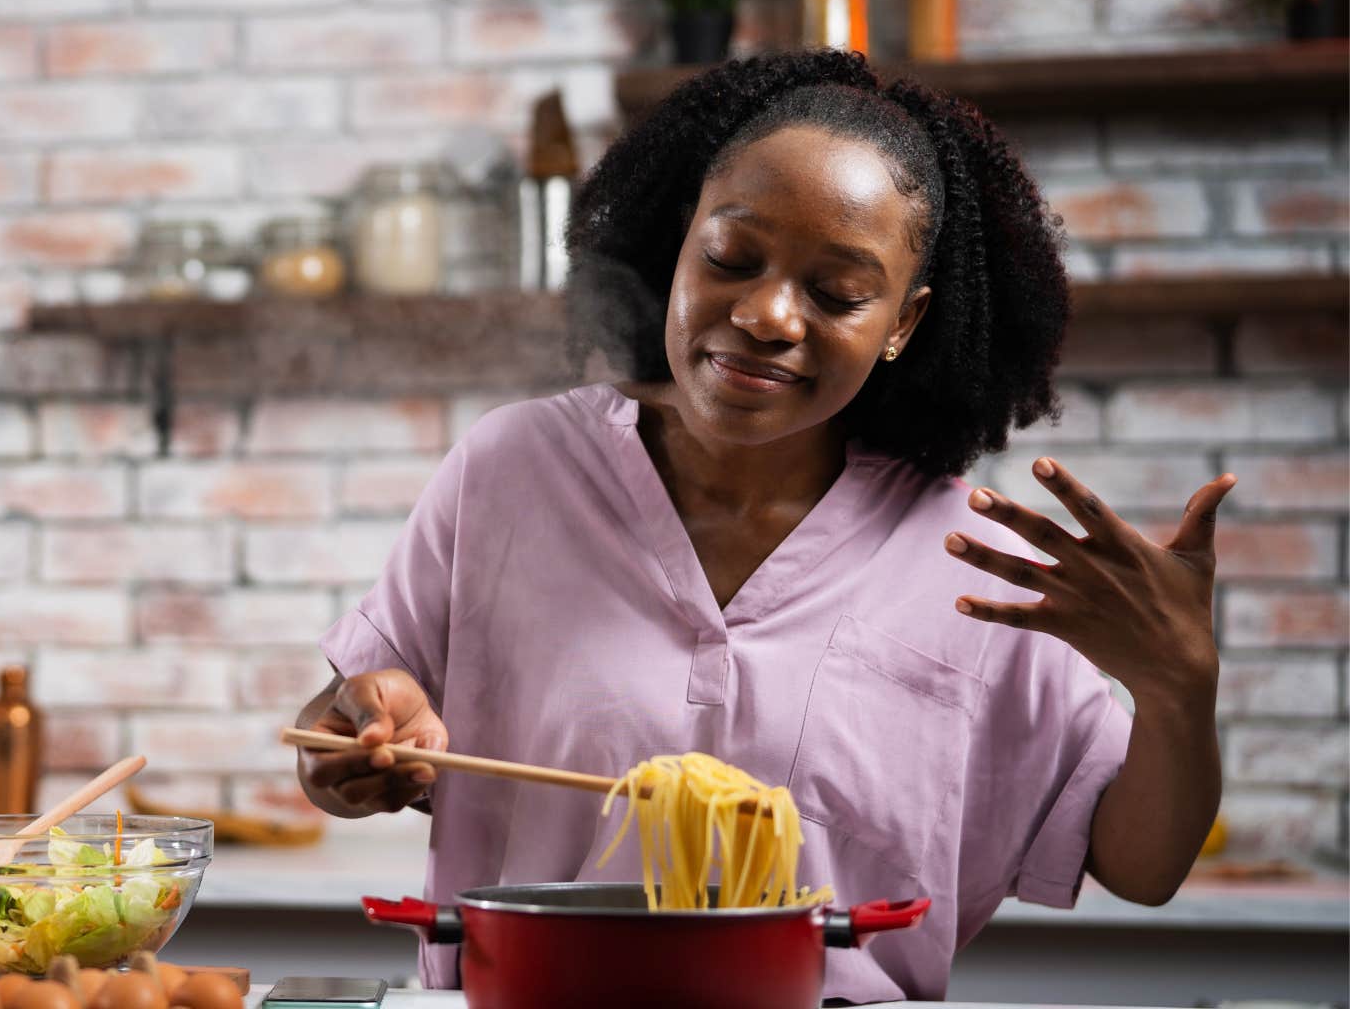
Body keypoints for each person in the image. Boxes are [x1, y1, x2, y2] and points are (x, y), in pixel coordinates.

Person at [293, 50, 1233, 1003]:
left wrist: (1178, 683)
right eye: (731, 259)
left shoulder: (971, 559)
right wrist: (353, 748)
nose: (768, 314)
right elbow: (333, 733)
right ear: (681, 244)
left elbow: (1140, 865)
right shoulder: (512, 470)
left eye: (836, 294)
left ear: (903, 323)